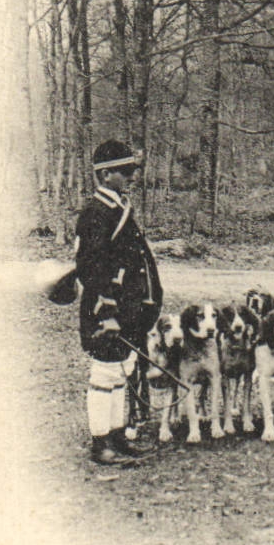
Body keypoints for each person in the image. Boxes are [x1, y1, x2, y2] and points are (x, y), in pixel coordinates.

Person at [75, 140, 163, 466]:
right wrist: (108, 312)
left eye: (132, 170)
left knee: (120, 371)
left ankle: (115, 435)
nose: (131, 177)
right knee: (104, 371)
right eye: (125, 172)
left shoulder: (116, 208)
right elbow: (92, 267)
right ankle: (100, 444)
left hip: (126, 308)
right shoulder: (96, 213)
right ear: (106, 174)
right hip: (106, 309)